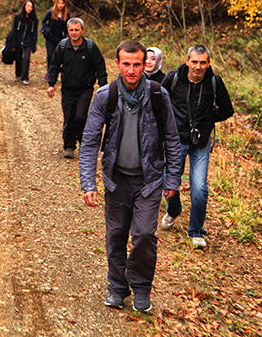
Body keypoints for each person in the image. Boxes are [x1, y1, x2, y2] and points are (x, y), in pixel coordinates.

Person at [79, 40, 182, 313]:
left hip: (149, 182)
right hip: (116, 181)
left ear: (145, 64)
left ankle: (142, 288)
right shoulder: (105, 96)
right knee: (116, 236)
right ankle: (117, 287)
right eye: (127, 64)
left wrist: (172, 179)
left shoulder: (159, 95)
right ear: (117, 64)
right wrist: (89, 183)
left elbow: (172, 139)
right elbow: (89, 141)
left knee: (145, 235)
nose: (132, 70)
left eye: (138, 64)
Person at [159, 45, 234, 249]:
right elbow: (159, 103)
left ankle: (196, 231)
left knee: (199, 187)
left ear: (208, 63)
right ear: (187, 60)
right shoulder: (174, 79)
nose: (198, 66)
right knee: (168, 182)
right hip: (175, 140)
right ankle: (173, 211)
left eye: (202, 62)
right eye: (195, 61)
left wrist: (207, 121)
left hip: (201, 142)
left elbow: (227, 110)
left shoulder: (213, 82)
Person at [46, 18, 107, 158]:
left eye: (77, 30)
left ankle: (84, 144)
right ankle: (69, 146)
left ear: (82, 31)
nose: (74, 33)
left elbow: (100, 67)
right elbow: (54, 66)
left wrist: (103, 87)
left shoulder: (90, 47)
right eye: (71, 30)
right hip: (67, 88)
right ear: (67, 31)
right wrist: (51, 84)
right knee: (69, 118)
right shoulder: (62, 46)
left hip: (85, 89)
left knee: (80, 117)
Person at [11, 0, 39, 85]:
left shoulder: (34, 19)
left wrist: (34, 45)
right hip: (18, 40)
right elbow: (14, 30)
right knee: (18, 59)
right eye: (28, 6)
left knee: (26, 59)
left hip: (28, 41)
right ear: (24, 7)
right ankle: (18, 74)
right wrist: (13, 43)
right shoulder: (18, 17)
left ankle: (25, 77)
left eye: (31, 6)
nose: (29, 8)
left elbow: (34, 32)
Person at [41, 0, 69, 70]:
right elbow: (43, 21)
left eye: (62, 3)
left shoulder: (66, 14)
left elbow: (68, 26)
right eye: (59, 3)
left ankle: (56, 71)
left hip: (60, 38)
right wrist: (46, 29)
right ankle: (49, 71)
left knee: (58, 56)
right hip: (50, 37)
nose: (60, 5)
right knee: (50, 55)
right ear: (56, 3)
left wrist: (68, 36)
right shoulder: (51, 12)